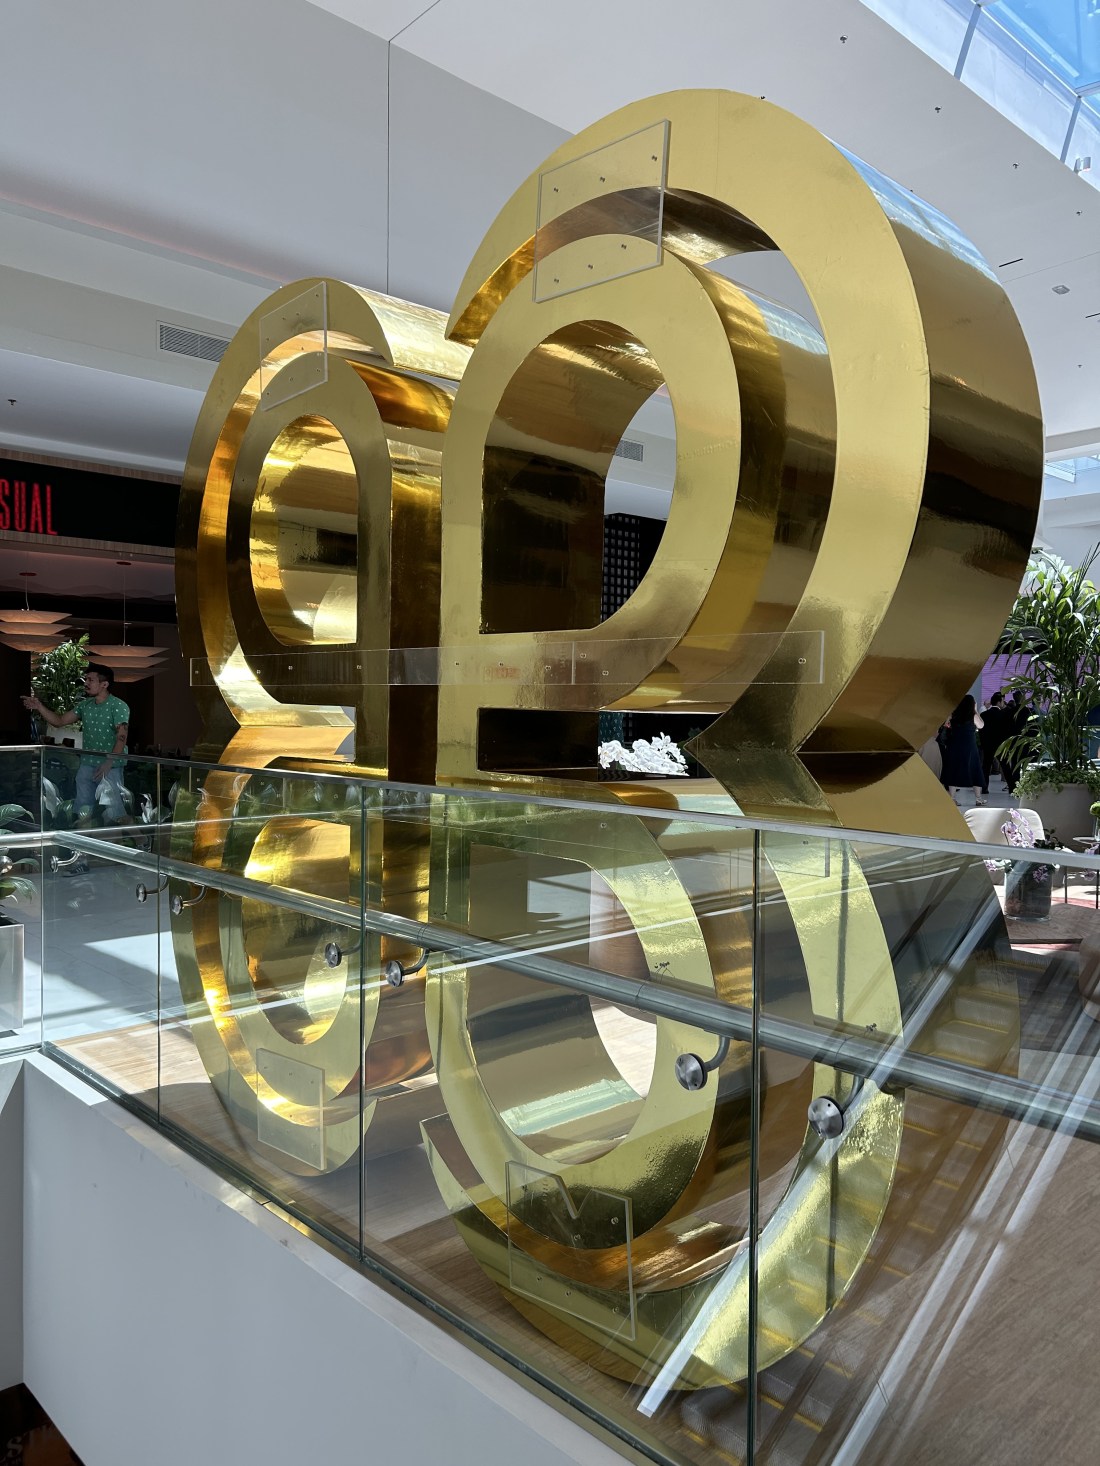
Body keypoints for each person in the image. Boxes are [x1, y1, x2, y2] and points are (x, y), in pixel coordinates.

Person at [22, 664, 130, 822]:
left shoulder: (118, 706)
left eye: (90, 680)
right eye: (86, 679)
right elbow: (59, 721)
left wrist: (109, 762)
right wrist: (39, 706)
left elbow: (122, 737)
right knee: (83, 811)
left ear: (104, 684)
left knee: (115, 812)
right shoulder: (85, 705)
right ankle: (84, 838)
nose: (86, 683)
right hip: (87, 764)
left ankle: (138, 836)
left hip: (110, 767)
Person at [941, 693, 986, 805]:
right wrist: (975, 710)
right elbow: (981, 725)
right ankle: (978, 799)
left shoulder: (953, 714)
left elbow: (946, 725)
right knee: (975, 770)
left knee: (953, 770)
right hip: (969, 746)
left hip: (954, 745)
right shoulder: (972, 715)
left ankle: (952, 798)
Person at [979, 690, 1009, 795]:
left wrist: (983, 743)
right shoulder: (1004, 714)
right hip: (1001, 745)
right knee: (1005, 766)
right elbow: (1006, 731)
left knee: (986, 766)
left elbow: (981, 731)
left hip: (988, 745)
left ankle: (984, 788)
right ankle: (1012, 787)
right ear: (999, 702)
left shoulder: (984, 714)